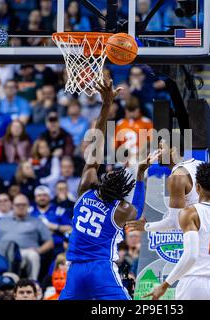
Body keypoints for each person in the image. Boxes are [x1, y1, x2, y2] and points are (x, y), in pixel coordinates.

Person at [59, 80, 158, 300]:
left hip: (75, 269)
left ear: (102, 180)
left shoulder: (86, 189)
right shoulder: (120, 210)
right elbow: (138, 209)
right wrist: (140, 175)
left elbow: (95, 146)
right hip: (101, 269)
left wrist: (106, 105)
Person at [144, 163, 210, 300]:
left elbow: (191, 256)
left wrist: (164, 285)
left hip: (194, 283)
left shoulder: (190, 213)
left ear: (197, 187)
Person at [127, 139, 210, 233]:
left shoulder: (177, 177)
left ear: (173, 150)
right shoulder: (200, 164)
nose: (158, 152)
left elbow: (174, 222)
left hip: (201, 232)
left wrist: (147, 227)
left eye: (161, 148)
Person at [0, 194, 54, 281]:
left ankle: (33, 283)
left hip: (25, 252)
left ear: (28, 206)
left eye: (23, 205)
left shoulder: (36, 221)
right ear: (13, 205)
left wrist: (38, 250)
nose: (21, 207)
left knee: (33, 255)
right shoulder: (2, 220)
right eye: (18, 205)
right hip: (2, 252)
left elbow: (50, 242)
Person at [30, 185, 72, 255]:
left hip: (56, 247)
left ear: (50, 197)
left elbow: (70, 228)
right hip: (34, 244)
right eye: (39, 195)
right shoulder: (29, 211)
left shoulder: (59, 211)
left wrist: (54, 227)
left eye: (44, 195)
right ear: (35, 198)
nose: (42, 198)